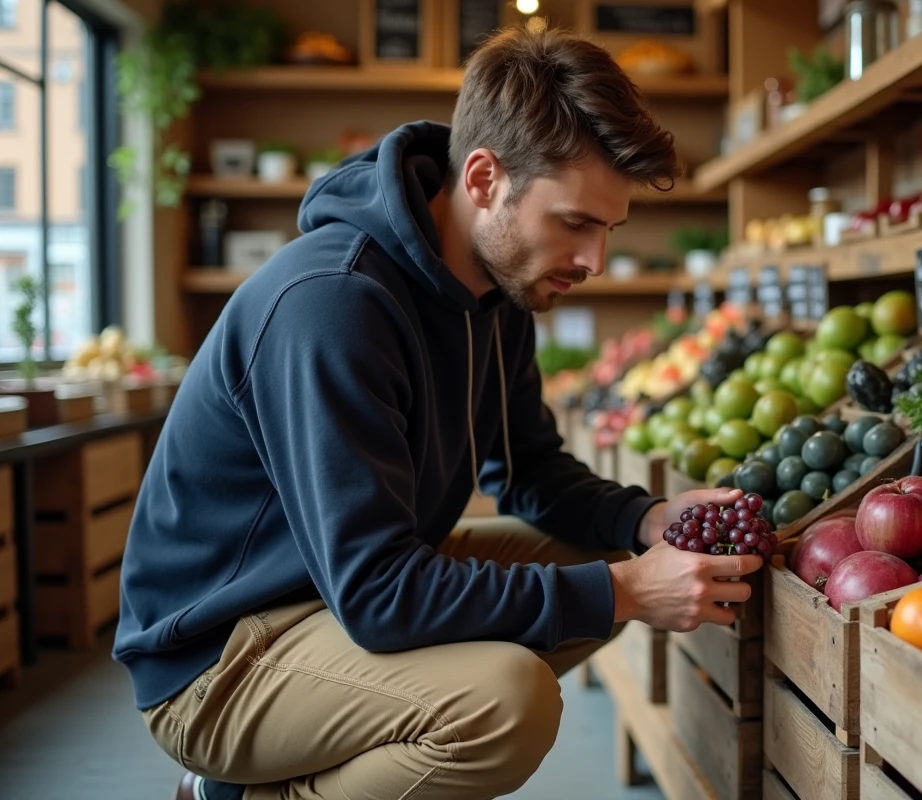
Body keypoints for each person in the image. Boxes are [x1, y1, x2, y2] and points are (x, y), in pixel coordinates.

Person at [114, 25, 761, 800]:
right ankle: (232, 791)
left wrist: (646, 523)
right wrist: (627, 588)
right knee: (508, 703)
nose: (593, 261)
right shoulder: (333, 305)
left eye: (608, 231)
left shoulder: (502, 288)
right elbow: (379, 593)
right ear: (485, 178)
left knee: (587, 559)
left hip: (332, 593)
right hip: (222, 652)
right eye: (575, 223)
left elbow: (530, 475)